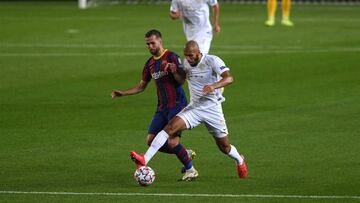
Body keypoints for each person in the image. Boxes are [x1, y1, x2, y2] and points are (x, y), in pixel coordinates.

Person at [130, 40, 248, 179]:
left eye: (191, 55)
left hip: (212, 110)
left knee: (224, 147)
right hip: (195, 108)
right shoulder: (186, 63)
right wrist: (174, 70)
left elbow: (229, 78)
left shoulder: (212, 60)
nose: (189, 59)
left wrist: (213, 86)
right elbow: (181, 78)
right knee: (170, 128)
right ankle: (145, 159)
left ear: (198, 52)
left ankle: (239, 160)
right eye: (186, 55)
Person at [112, 29, 198, 181]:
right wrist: (123, 93)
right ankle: (184, 153)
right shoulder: (149, 64)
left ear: (160, 41)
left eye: (152, 43)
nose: (150, 46)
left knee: (172, 141)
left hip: (177, 105)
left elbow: (181, 80)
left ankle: (190, 170)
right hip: (162, 108)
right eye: (147, 44)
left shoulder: (172, 56)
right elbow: (141, 86)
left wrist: (174, 71)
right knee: (150, 140)